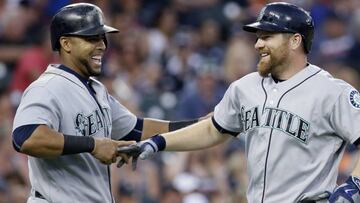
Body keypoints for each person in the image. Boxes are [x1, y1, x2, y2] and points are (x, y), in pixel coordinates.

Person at [123, 2, 360, 203]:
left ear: (295, 41)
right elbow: (213, 129)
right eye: (258, 38)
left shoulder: (331, 92)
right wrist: (158, 142)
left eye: (267, 36)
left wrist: (353, 186)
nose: (258, 44)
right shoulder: (244, 88)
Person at [12, 3, 201, 203]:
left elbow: (137, 129)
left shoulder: (96, 89)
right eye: (92, 38)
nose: (102, 45)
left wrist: (202, 125)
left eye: (102, 37)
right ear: (66, 44)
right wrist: (93, 145)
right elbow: (25, 137)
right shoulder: (47, 87)